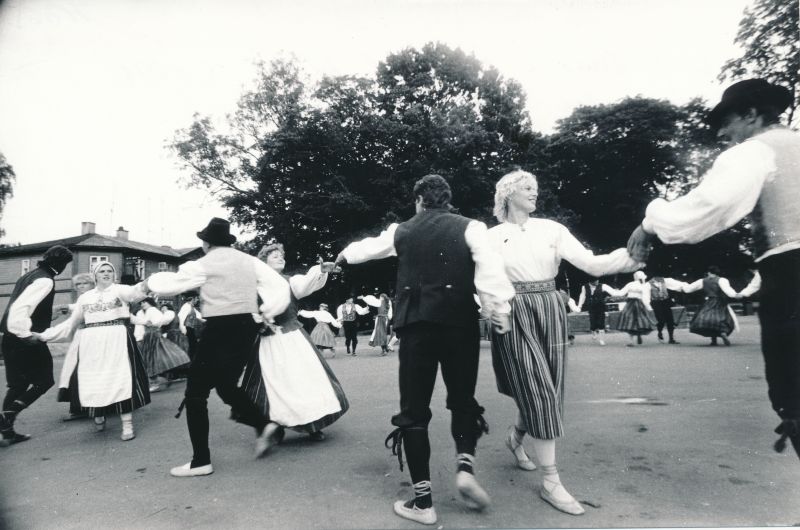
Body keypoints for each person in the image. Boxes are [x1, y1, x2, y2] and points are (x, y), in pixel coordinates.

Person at [627, 78, 800, 458]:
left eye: (728, 121)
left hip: (791, 275)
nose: (723, 133)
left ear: (752, 115)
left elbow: (704, 210)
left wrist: (650, 221)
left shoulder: (755, 151)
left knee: (794, 395)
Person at [336, 174, 515, 525]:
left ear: (418, 199)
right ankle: (465, 466)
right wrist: (500, 310)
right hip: (460, 323)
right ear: (448, 200)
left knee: (414, 410)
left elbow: (365, 248)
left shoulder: (401, 230)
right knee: (462, 399)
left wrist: (343, 256)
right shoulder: (472, 227)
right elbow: (491, 272)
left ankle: (423, 502)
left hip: (416, 325)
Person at [488, 169, 641, 515]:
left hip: (550, 308)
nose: (534, 192)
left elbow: (591, 262)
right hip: (514, 312)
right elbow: (482, 279)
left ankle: (515, 439)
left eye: (536, 188)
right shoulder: (492, 236)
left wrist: (631, 258)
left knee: (548, 390)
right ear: (508, 194)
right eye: (527, 188)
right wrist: (491, 308)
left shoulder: (552, 229)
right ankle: (551, 482)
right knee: (538, 388)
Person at [145, 217, 291, 477]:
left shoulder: (204, 262)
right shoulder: (250, 261)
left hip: (219, 327)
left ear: (205, 243)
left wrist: (149, 283)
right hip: (246, 326)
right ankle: (263, 424)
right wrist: (266, 310)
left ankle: (201, 460)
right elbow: (280, 286)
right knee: (225, 385)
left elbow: (170, 285)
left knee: (195, 394)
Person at [240, 242, 348, 448]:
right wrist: (256, 323)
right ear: (263, 262)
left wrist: (320, 270)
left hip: (292, 339)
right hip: (267, 342)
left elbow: (306, 282)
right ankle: (275, 425)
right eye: (274, 256)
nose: (280, 258)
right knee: (272, 385)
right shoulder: (254, 287)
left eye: (282, 255)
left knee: (303, 380)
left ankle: (313, 424)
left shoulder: (290, 282)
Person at [39, 262, 150, 442]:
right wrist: (44, 336)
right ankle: (98, 414)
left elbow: (135, 292)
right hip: (91, 341)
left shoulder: (120, 290)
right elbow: (71, 324)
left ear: (114, 275)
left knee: (120, 378)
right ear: (95, 276)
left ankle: (127, 423)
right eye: (102, 271)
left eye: (110, 271)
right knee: (94, 378)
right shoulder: (85, 298)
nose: (106, 274)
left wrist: (148, 285)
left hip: (117, 337)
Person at [0, 245, 73, 446]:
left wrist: (50, 314)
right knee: (44, 380)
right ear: (62, 264)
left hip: (8, 337)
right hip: (24, 339)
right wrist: (26, 334)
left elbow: (26, 307)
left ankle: (7, 432)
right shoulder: (45, 280)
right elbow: (20, 310)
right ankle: (5, 418)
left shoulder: (30, 275)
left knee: (18, 385)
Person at [56, 273, 95, 422]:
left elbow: (83, 309)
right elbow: (78, 307)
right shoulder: (82, 298)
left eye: (84, 283)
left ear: (92, 284)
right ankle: (80, 406)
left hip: (91, 335)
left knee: (82, 370)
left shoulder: (93, 296)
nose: (81, 287)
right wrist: (66, 307)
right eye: (78, 285)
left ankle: (85, 407)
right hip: (80, 336)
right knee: (74, 369)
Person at [130, 297, 190, 392]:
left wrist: (150, 325)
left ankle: (155, 381)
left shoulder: (153, 311)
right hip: (143, 337)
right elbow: (138, 326)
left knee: (152, 359)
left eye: (144, 302)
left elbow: (159, 323)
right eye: (141, 302)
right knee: (149, 360)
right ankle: (160, 379)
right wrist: (138, 337)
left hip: (153, 336)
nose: (142, 304)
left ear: (150, 302)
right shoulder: (140, 312)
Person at [683, 266, 739, 346]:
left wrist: (682, 286)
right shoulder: (722, 280)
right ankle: (723, 333)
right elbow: (728, 291)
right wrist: (735, 295)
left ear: (709, 272)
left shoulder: (702, 281)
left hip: (708, 301)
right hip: (720, 302)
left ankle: (713, 340)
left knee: (709, 320)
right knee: (722, 318)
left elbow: (688, 289)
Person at [614, 271, 656, 347]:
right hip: (631, 303)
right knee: (630, 320)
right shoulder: (633, 284)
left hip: (637, 303)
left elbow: (645, 297)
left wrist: (648, 306)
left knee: (635, 320)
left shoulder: (644, 286)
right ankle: (632, 340)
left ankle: (637, 335)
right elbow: (621, 292)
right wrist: (615, 291)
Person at [647, 273, 688, 344]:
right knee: (661, 320)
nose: (661, 278)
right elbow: (646, 294)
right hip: (656, 302)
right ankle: (660, 332)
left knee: (670, 320)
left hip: (665, 301)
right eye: (659, 276)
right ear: (655, 276)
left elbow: (675, 286)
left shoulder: (665, 281)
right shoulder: (648, 284)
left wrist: (683, 288)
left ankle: (671, 339)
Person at [576, 278, 615, 345]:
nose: (597, 281)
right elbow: (582, 296)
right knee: (593, 323)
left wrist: (618, 293)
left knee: (601, 323)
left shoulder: (603, 286)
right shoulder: (585, 287)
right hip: (591, 307)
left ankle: (602, 340)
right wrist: (579, 306)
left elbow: (613, 292)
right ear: (591, 281)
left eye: (598, 280)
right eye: (595, 280)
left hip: (601, 307)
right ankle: (593, 332)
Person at [177, 291, 203, 361]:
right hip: (187, 329)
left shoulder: (191, 307)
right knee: (190, 347)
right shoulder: (186, 306)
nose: (197, 300)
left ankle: (190, 362)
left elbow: (199, 316)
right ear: (193, 298)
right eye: (196, 298)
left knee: (193, 347)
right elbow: (181, 317)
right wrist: (183, 330)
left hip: (191, 330)